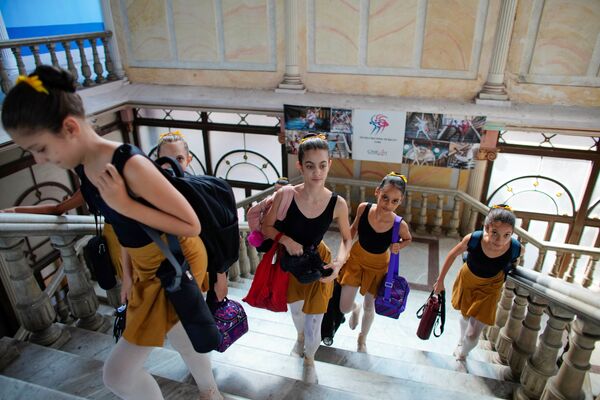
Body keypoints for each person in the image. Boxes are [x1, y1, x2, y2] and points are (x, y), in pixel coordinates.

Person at [2, 65, 223, 400]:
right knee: (180, 327)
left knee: (118, 374)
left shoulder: (128, 163)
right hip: (145, 263)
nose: (37, 160)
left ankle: (210, 390)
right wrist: (130, 272)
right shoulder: (83, 165)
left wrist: (124, 202)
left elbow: (190, 224)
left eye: (40, 148)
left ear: (70, 127)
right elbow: (116, 222)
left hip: (174, 259)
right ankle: (210, 391)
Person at [261, 133, 352, 384]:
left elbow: (347, 238)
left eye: (323, 165)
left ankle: (310, 357)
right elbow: (267, 227)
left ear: (329, 164)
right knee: (297, 313)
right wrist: (287, 240)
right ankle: (300, 337)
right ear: (300, 165)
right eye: (310, 166)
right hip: (291, 261)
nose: (317, 172)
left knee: (316, 317)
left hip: (319, 260)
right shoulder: (287, 194)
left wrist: (338, 264)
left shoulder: (337, 203)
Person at [433, 204, 523, 361]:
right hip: (468, 280)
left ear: (512, 233)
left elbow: (514, 263)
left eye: (506, 235)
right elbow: (452, 255)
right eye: (495, 233)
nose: (499, 240)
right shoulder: (473, 239)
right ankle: (461, 341)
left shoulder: (516, 248)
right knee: (465, 314)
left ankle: (463, 354)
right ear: (487, 228)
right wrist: (440, 281)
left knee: (473, 334)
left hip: (491, 288)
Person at [337, 172, 412, 352]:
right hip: (356, 258)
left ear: (400, 202)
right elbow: (353, 229)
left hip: (379, 266)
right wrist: (342, 255)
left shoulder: (399, 224)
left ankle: (363, 338)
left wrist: (399, 247)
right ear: (377, 192)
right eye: (385, 198)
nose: (388, 204)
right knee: (343, 307)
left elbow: (408, 239)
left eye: (395, 201)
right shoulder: (364, 208)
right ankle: (355, 308)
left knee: (370, 306)